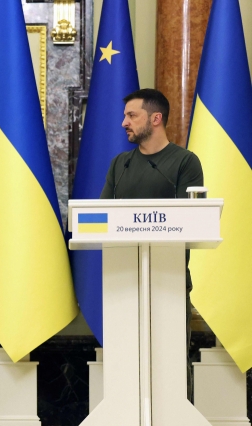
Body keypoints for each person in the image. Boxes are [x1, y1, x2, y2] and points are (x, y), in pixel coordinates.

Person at [100, 88, 203, 400]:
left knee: (170, 362)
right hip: (123, 281)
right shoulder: (121, 164)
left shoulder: (185, 162)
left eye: (132, 115)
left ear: (156, 119)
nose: (124, 123)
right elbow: (99, 218)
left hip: (168, 281)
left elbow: (194, 220)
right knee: (126, 363)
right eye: (124, 115)